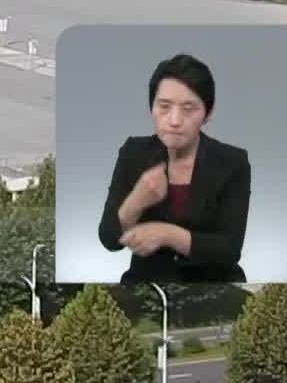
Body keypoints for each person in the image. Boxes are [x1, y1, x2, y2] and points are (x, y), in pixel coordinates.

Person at [97, 53, 251, 283]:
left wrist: (167, 234)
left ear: (208, 113)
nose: (175, 120)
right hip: (147, 289)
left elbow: (228, 250)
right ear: (152, 108)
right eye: (164, 107)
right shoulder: (134, 153)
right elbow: (109, 239)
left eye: (189, 108)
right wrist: (136, 201)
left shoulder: (232, 163)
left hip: (213, 290)